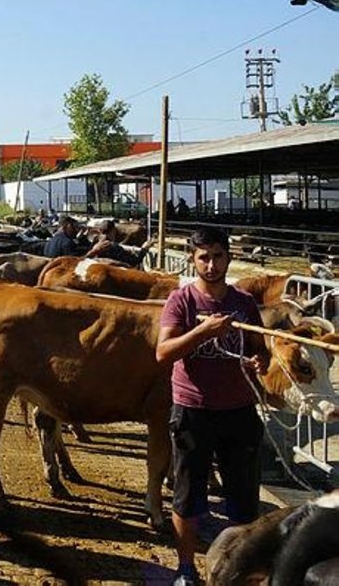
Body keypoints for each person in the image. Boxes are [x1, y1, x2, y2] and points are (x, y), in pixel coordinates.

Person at [155, 227, 267, 586]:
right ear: (193, 260)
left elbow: (258, 347)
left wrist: (259, 361)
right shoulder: (182, 301)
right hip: (193, 410)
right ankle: (186, 568)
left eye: (218, 256)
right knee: (188, 495)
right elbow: (164, 352)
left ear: (229, 258)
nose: (211, 264)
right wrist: (203, 333)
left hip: (239, 409)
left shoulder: (245, 303)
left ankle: (239, 569)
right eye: (204, 256)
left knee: (244, 499)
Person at [43, 215, 111, 259]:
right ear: (68, 226)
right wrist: (95, 250)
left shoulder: (50, 241)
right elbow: (78, 262)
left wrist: (82, 238)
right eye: (74, 227)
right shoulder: (66, 242)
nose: (77, 230)